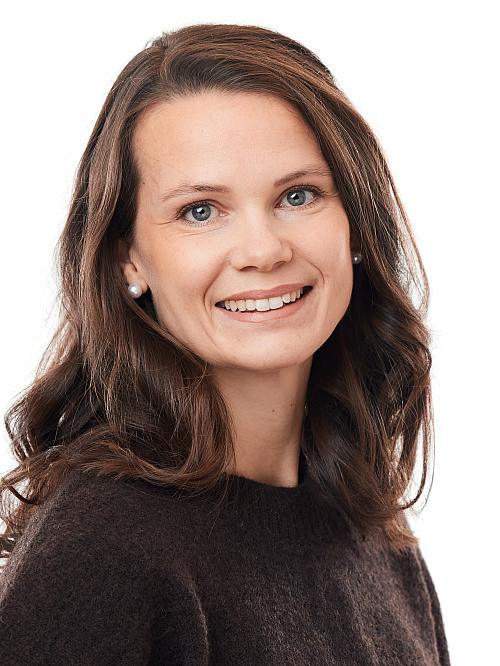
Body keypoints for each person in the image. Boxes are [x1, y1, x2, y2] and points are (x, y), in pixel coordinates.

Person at [0, 22, 451, 665]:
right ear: (129, 259)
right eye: (201, 211)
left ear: (354, 223)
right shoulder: (102, 550)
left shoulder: (371, 529)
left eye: (298, 196)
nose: (263, 251)